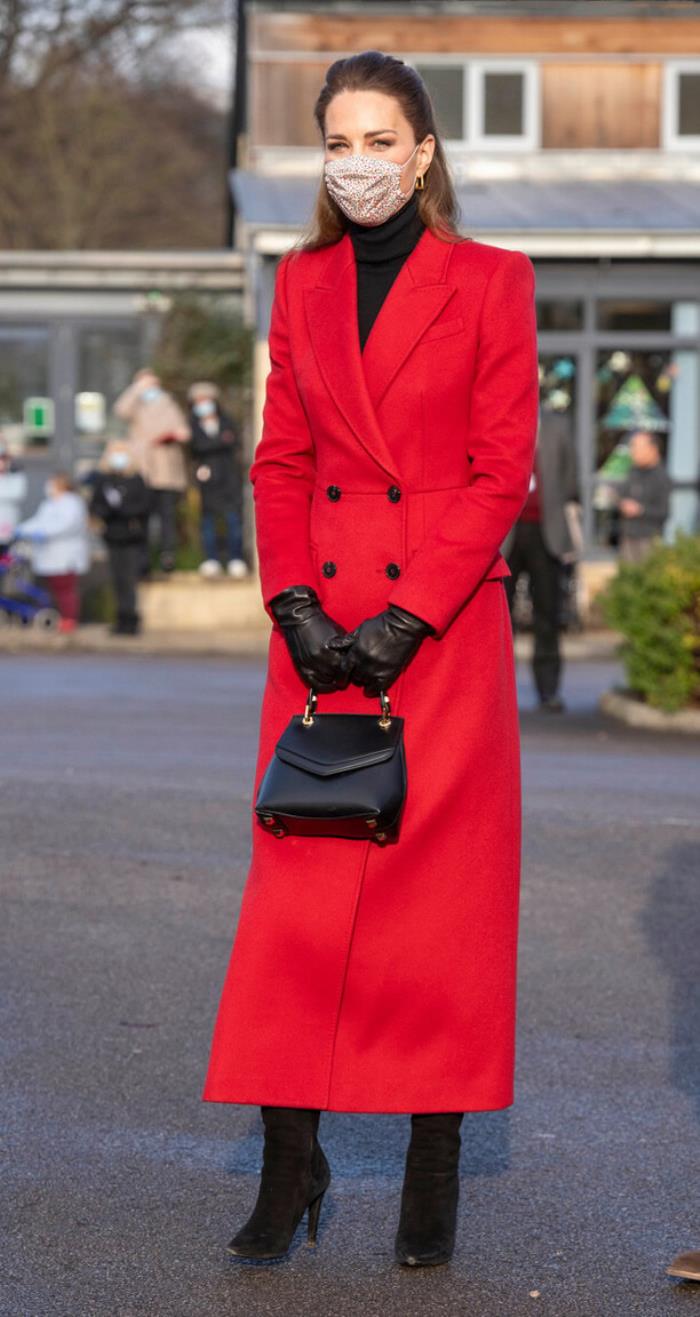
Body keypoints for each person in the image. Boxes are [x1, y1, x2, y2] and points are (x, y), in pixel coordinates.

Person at [202, 51, 539, 1268]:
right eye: (337, 142)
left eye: (379, 141)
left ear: (423, 150)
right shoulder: (300, 282)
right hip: (317, 639)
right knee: (294, 912)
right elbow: (281, 459)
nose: (357, 164)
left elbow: (501, 470)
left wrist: (411, 616)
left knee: (435, 917)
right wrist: (291, 601)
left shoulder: (493, 279)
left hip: (437, 638)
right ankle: (290, 1160)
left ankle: (432, 1164)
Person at [503, 408, 582, 712]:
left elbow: (571, 480)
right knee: (500, 616)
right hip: (507, 534)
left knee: (548, 616)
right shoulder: (504, 419)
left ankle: (548, 691)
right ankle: (498, 693)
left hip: (547, 534)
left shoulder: (558, 426)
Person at [113, 369, 189, 574]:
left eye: (151, 384)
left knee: (167, 517)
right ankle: (142, 561)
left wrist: (174, 435)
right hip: (143, 470)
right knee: (141, 518)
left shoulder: (168, 404)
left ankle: (167, 557)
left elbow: (183, 431)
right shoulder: (136, 404)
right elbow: (120, 410)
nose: (149, 389)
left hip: (166, 471)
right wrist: (136, 389)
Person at [13, 472, 89, 632]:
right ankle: (56, 618)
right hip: (49, 555)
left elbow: (65, 526)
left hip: (65, 554)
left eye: (52, 484)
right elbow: (38, 521)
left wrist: (43, 532)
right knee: (52, 589)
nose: (48, 487)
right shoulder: (48, 504)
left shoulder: (72, 503)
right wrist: (21, 529)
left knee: (65, 589)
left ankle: (69, 620)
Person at [89, 441, 152, 636]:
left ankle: (131, 619)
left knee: (129, 579)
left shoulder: (136, 479)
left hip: (132, 536)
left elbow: (144, 506)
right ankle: (120, 618)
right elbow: (95, 505)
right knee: (117, 579)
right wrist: (108, 511)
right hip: (112, 535)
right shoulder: (104, 480)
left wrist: (122, 508)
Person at [187, 381, 247, 579]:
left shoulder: (227, 421)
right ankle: (211, 559)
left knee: (233, 519)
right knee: (208, 521)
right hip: (208, 480)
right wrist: (220, 441)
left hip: (229, 478)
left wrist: (212, 444)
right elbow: (197, 447)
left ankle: (235, 558)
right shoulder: (193, 425)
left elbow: (233, 442)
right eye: (198, 401)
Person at [617, 429, 671, 563]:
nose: (633, 452)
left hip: (648, 540)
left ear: (652, 449)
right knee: (627, 574)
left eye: (637, 448)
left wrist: (640, 510)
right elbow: (622, 495)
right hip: (628, 536)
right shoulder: (633, 471)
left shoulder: (661, 477)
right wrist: (621, 503)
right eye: (632, 447)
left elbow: (664, 512)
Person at [0, 439, 28, 553]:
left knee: (6, 554)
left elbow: (17, 494)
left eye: (3, 459)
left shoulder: (16, 475)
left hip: (7, 526)